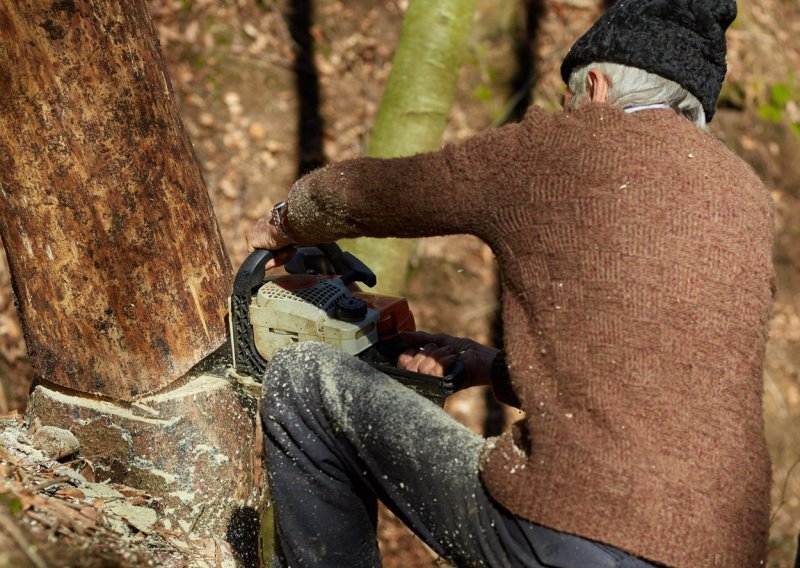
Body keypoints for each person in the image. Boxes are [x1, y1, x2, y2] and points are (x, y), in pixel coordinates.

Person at [247, 0, 775, 566]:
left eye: (569, 98)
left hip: (571, 533)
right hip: (722, 550)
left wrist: (286, 221)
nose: (565, 109)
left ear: (595, 86)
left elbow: (382, 193)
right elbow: (658, 372)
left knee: (304, 383)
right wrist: (487, 366)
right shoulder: (747, 199)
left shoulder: (564, 148)